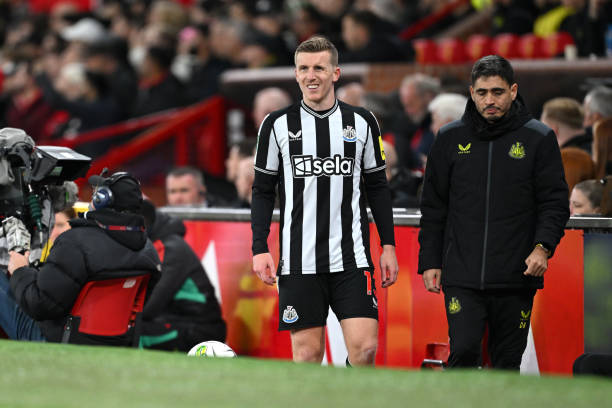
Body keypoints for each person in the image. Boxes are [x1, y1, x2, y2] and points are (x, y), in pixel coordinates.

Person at [251, 35, 399, 366]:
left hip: (352, 258)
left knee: (365, 350)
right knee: (307, 355)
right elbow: (262, 191)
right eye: (304, 68)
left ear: (335, 73)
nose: (311, 75)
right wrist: (259, 247)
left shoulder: (363, 121)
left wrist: (388, 246)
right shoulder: (276, 125)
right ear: (296, 74)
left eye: (319, 68)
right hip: (299, 262)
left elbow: (378, 187)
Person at [418, 55, 569, 370]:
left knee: (507, 363)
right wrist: (430, 260)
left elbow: (554, 202)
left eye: (498, 92)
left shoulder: (539, 137)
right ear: (471, 93)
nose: (490, 100)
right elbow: (434, 206)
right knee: (463, 352)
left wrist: (543, 247)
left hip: (517, 275)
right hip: (461, 274)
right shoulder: (449, 138)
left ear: (513, 91)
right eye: (482, 92)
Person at [0, 171, 161, 344]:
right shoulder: (148, 250)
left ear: (102, 199)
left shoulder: (74, 243)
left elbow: (39, 305)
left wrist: (20, 270)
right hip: (115, 343)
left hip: (58, 341)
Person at [139, 199, 226, 351]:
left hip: (199, 331)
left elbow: (150, 308)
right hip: (173, 321)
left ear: (143, 224)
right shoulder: (153, 245)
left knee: (129, 332)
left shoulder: (172, 249)